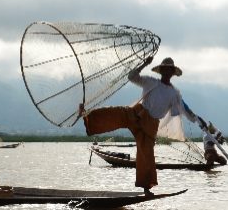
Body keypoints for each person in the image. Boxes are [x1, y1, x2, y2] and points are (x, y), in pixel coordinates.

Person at [79, 57, 197, 196]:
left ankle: (146, 188)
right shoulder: (151, 82)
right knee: (115, 113)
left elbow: (183, 108)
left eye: (169, 70)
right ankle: (86, 115)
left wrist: (195, 118)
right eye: (164, 69)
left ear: (172, 73)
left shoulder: (174, 94)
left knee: (146, 155)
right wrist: (144, 64)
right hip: (136, 114)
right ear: (161, 71)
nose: (166, 72)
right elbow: (132, 77)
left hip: (151, 124)